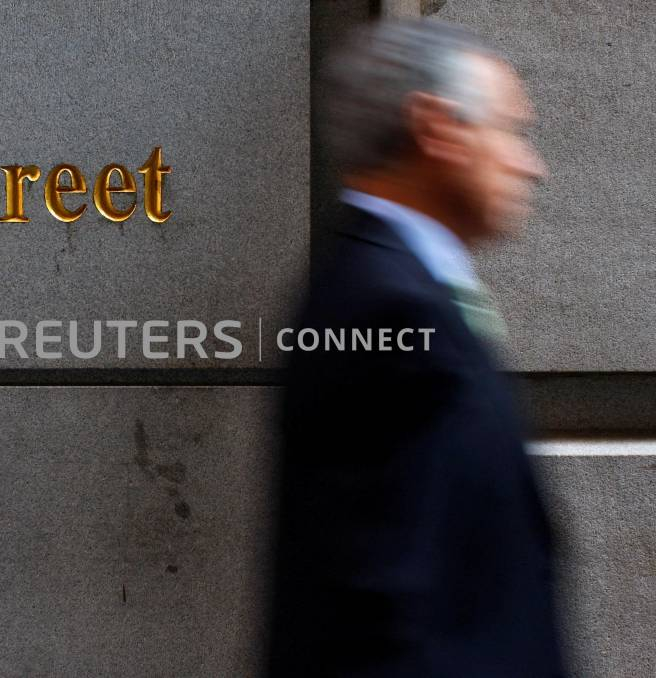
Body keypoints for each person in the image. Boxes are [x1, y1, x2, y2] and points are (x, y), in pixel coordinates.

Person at [268, 18, 565, 677]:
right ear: (437, 127)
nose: (531, 166)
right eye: (510, 131)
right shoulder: (389, 303)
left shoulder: (388, 284)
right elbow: (377, 596)